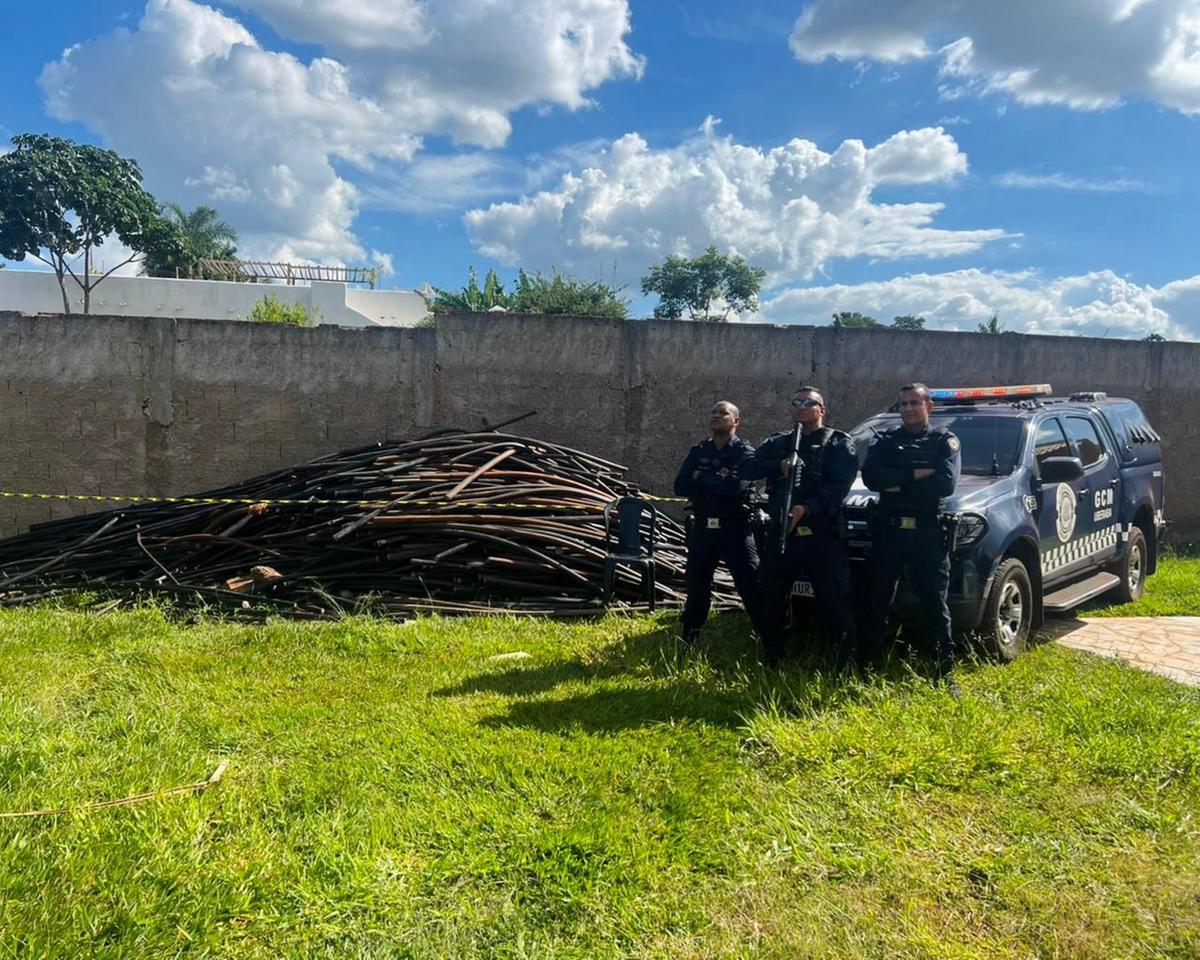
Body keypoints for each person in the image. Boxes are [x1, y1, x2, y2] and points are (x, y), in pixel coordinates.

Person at [740, 386, 858, 669]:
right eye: (796, 401)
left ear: (822, 409)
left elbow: (839, 487)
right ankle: (772, 655)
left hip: (820, 535)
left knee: (833, 599)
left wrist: (807, 508)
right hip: (784, 535)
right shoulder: (780, 442)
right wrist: (778, 467)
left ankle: (845, 658)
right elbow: (746, 467)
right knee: (773, 595)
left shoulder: (838, 443)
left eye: (809, 402)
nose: (801, 406)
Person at [861, 382, 962, 690]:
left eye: (914, 403)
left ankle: (944, 672)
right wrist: (918, 473)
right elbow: (872, 479)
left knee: (934, 601)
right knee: (877, 599)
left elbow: (945, 484)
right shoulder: (885, 441)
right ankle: (868, 665)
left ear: (928, 406)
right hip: (889, 530)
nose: (907, 408)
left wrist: (896, 480)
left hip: (926, 532)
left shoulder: (945, 441)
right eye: (903, 403)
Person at [673, 400, 764, 644]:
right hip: (704, 529)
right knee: (697, 584)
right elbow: (680, 486)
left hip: (736, 529)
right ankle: (689, 638)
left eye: (723, 413)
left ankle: (767, 639)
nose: (716, 416)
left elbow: (735, 487)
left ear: (736, 421)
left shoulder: (745, 453)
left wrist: (699, 476)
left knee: (750, 585)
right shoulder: (699, 451)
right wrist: (716, 481)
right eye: (713, 411)